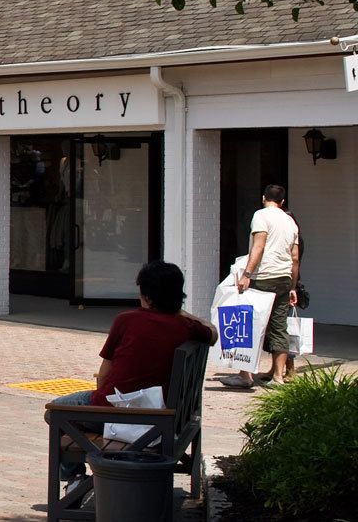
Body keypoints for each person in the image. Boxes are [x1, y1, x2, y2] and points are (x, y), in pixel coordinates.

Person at [50, 261, 213, 478]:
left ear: (147, 296)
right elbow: (213, 333)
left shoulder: (126, 320)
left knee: (55, 411)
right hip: (165, 419)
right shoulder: (187, 328)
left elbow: (104, 373)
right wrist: (181, 313)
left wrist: (101, 399)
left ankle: (75, 478)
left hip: (117, 412)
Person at [226, 184, 301, 389]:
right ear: (282, 202)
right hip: (284, 279)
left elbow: (258, 246)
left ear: (263, 198)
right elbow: (294, 258)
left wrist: (247, 274)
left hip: (263, 277)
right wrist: (293, 286)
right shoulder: (290, 221)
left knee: (251, 325)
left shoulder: (261, 215)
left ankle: (245, 375)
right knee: (279, 327)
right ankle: (277, 377)